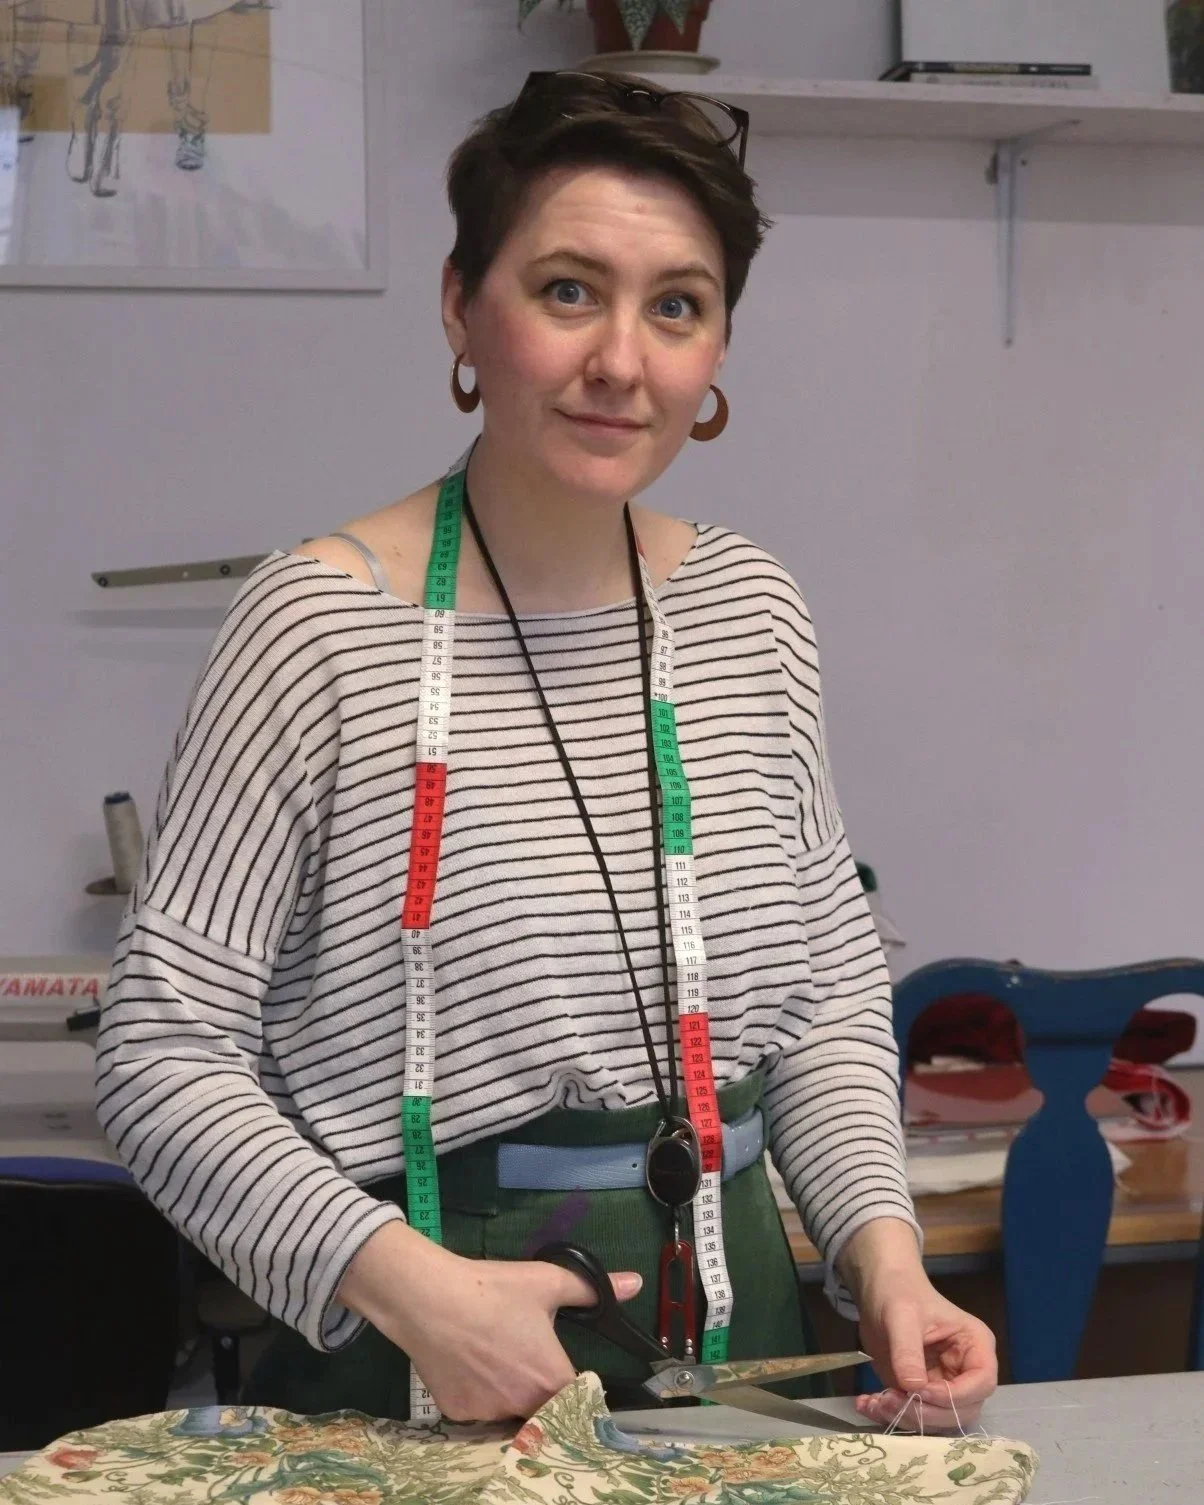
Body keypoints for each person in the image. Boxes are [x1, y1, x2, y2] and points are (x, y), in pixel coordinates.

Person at [94, 69, 997, 1430]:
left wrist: (885, 1261)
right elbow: (160, 1054)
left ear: (716, 355)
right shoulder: (319, 627)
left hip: (739, 1336)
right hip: (415, 1351)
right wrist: (409, 1289)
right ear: (464, 306)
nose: (622, 362)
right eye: (568, 290)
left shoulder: (750, 613)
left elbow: (818, 999)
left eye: (676, 307)